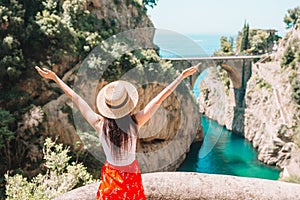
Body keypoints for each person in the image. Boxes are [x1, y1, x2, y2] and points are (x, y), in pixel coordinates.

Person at [35, 63, 199, 199]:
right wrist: (181, 76)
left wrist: (55, 78)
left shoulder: (100, 124)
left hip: (112, 177)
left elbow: (77, 99)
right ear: (127, 105)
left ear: (107, 108)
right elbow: (159, 99)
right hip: (132, 176)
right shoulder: (135, 121)